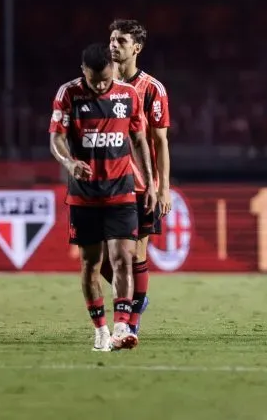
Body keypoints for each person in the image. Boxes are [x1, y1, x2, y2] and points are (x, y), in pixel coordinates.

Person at [49, 43, 158, 352]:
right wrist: (69, 163)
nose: (100, 85)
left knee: (123, 257)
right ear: (83, 71)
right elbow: (55, 138)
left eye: (105, 78)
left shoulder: (128, 94)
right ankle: (100, 329)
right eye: (94, 79)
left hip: (121, 191)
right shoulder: (68, 94)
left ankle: (122, 327)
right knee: (91, 265)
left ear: (112, 68)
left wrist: (149, 184)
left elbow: (139, 139)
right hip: (85, 196)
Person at [101, 19, 173, 336]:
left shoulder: (152, 89)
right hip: (103, 184)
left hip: (140, 185)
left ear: (137, 48)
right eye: (112, 40)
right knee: (102, 260)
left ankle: (130, 323)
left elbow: (160, 141)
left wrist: (163, 188)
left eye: (121, 41)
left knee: (135, 253)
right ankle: (135, 301)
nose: (114, 45)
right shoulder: (98, 84)